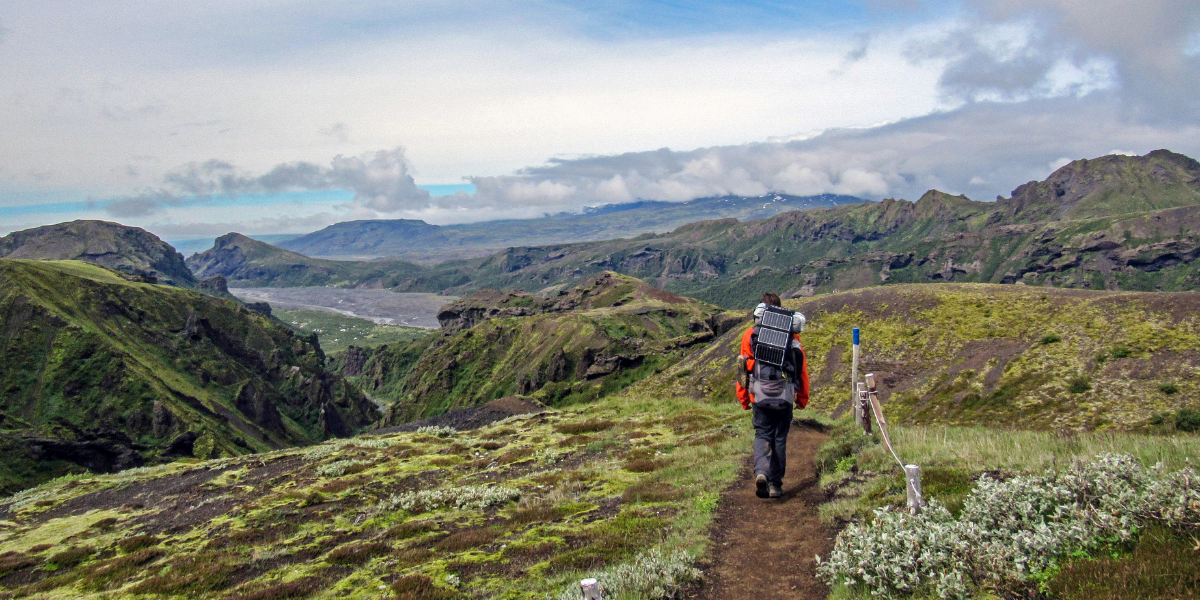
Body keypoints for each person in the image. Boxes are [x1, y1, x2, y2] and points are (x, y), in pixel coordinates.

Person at [735, 292, 809, 499]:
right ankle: (776, 485)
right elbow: (801, 368)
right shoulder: (792, 336)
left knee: (762, 434)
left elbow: (743, 369)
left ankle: (761, 473)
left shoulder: (750, 335)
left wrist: (744, 398)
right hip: (785, 396)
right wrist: (802, 396)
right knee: (779, 438)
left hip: (759, 396)